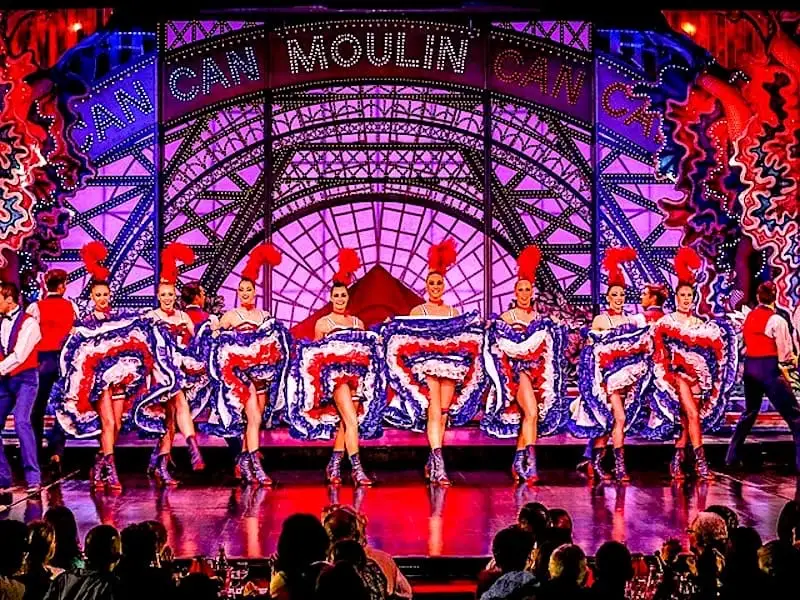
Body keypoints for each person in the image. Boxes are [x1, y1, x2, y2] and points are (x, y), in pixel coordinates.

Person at [484, 245, 567, 485]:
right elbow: (496, 346)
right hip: (515, 374)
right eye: (520, 289)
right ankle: (531, 464)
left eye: (527, 289)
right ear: (515, 292)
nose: (523, 293)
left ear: (532, 292)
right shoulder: (506, 318)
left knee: (528, 418)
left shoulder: (540, 320)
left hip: (537, 374)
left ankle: (518, 461)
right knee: (531, 412)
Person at [215, 243, 283, 486]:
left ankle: (244, 461)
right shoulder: (230, 317)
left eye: (249, 290)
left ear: (255, 292)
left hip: (261, 377)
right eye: (241, 290)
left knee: (255, 420)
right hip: (240, 379)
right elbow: (216, 344)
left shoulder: (264, 316)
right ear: (238, 292)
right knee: (251, 417)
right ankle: (254, 465)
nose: (245, 293)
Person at [571, 247, 641, 482]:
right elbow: (592, 349)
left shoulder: (631, 320)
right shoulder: (601, 319)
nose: (619, 299)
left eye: (622, 295)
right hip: (606, 379)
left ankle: (595, 462)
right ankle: (618, 467)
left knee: (611, 421)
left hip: (627, 379)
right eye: (615, 295)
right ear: (608, 298)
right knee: (617, 419)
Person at [309, 249, 373, 486]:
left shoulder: (358, 323)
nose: (340, 299)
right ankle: (357, 469)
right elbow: (314, 357)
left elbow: (365, 351)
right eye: (336, 296)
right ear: (330, 297)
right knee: (351, 421)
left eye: (343, 296)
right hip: (336, 379)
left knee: (346, 423)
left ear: (348, 298)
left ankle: (334, 465)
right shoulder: (322, 323)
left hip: (356, 378)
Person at [145, 243, 206, 486]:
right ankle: (192, 449)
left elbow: (196, 342)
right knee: (174, 410)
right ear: (158, 297)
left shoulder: (183, 317)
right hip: (160, 374)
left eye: (171, 295)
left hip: (177, 371)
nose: (168, 299)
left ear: (175, 296)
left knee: (170, 420)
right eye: (163, 295)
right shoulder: (151, 317)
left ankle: (160, 465)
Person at [654, 248, 716, 480]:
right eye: (682, 296)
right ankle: (702, 464)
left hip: (696, 378)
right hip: (676, 375)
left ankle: (676, 462)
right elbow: (658, 349)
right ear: (676, 298)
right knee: (692, 415)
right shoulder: (666, 321)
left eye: (690, 296)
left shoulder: (700, 323)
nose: (686, 299)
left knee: (687, 422)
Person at [726, 281, 800, 473]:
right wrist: (794, 359)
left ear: (758, 297)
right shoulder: (777, 321)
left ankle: (731, 457)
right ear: (775, 297)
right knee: (795, 417)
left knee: (749, 412)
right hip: (768, 370)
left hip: (751, 370)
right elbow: (785, 355)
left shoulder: (749, 316)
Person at [410, 239, 460, 486]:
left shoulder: (452, 312)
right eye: (432, 283)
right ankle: (440, 466)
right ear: (426, 286)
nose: (436, 287)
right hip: (427, 367)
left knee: (442, 415)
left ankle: (431, 461)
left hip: (450, 368)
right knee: (434, 410)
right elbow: (408, 341)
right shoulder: (417, 311)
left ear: (444, 285)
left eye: (439, 283)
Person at [25, 269, 78, 470]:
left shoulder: (35, 308)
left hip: (43, 361)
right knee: (63, 408)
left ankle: (36, 452)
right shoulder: (70, 306)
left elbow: (29, 335)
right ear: (62, 285)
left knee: (36, 408)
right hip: (64, 361)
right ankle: (56, 451)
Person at [0, 281, 43, 495]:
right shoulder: (1, 322)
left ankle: (33, 478)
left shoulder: (29, 324)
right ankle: (3, 478)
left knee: (21, 421)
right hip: (5, 380)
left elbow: (19, 356)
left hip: (25, 378)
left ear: (9, 299)